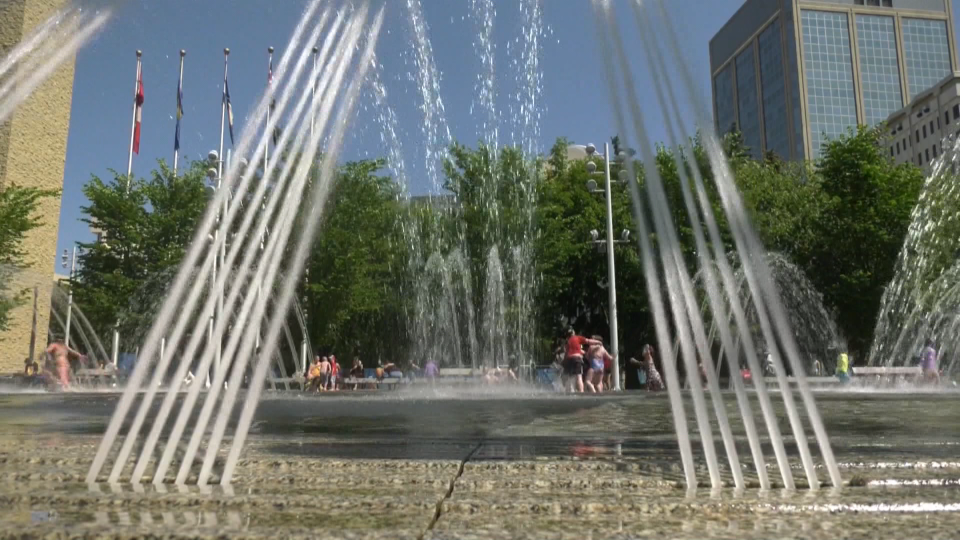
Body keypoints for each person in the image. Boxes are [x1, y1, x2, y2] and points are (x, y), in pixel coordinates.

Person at [562, 329, 601, 393]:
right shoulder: (577, 337)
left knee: (570, 376)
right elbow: (588, 341)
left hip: (569, 359)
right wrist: (597, 342)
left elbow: (567, 353)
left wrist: (564, 362)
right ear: (573, 333)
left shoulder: (567, 341)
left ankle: (570, 391)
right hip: (577, 359)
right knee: (579, 376)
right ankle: (581, 392)